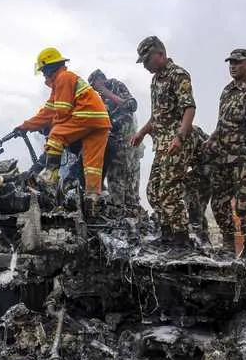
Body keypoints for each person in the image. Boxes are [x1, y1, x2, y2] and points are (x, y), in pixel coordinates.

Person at [16, 48, 111, 208]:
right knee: (92, 165)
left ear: (49, 68)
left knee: (56, 135)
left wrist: (53, 128)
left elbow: (61, 111)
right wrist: (26, 126)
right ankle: (92, 199)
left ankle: (49, 178)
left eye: (43, 71)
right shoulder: (63, 82)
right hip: (100, 122)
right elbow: (46, 113)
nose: (44, 75)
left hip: (86, 115)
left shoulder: (63, 77)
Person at [130, 36, 195, 247]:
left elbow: (189, 108)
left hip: (176, 143)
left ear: (160, 54)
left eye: (147, 60)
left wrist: (179, 137)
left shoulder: (178, 75)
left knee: (169, 191)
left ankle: (181, 239)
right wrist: (141, 132)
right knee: (153, 191)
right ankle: (167, 234)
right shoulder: (155, 80)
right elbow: (156, 116)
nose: (146, 65)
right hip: (161, 144)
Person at [205, 49, 246, 260]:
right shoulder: (226, 91)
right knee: (218, 203)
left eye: (237, 62)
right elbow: (222, 123)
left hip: (244, 158)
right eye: (230, 62)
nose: (232, 65)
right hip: (223, 157)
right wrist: (212, 139)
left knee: (245, 206)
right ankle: (228, 244)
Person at [88, 69, 141, 217]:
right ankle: (121, 216)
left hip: (129, 142)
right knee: (115, 180)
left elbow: (132, 105)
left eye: (94, 84)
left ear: (102, 79)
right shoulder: (97, 97)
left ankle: (131, 216)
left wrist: (107, 93)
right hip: (114, 143)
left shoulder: (115, 85)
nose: (94, 88)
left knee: (130, 182)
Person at [186, 126, 213, 243]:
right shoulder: (191, 130)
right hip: (204, 170)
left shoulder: (191, 131)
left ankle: (199, 233)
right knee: (199, 207)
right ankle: (203, 239)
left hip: (208, 170)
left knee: (189, 186)